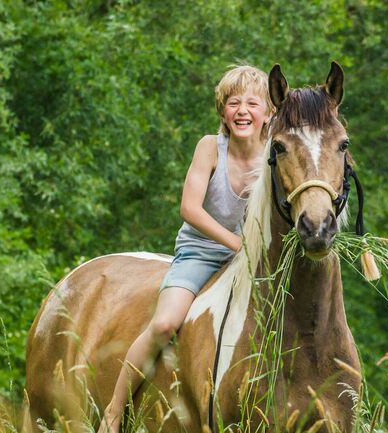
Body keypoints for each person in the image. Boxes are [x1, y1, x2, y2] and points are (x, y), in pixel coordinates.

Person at [98, 65, 273, 433]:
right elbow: (190, 209)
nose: (242, 110)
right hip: (203, 252)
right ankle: (113, 412)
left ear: (269, 112)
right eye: (233, 102)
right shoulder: (211, 147)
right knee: (163, 324)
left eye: (253, 103)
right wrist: (235, 243)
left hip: (253, 261)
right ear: (223, 111)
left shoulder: (276, 153)